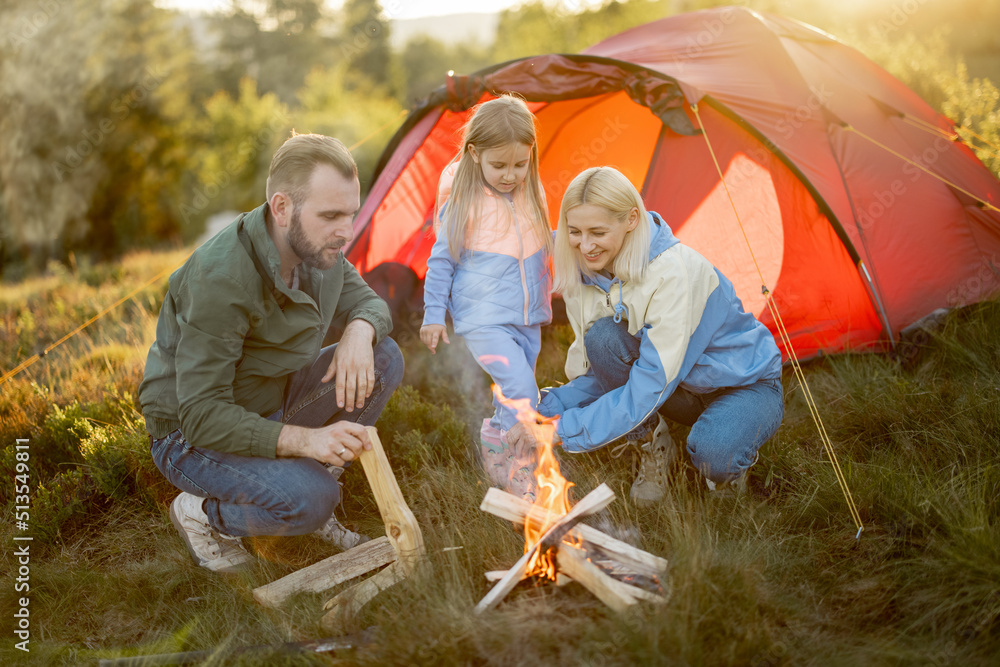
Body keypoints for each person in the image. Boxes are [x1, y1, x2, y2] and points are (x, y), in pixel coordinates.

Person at [139, 133, 404, 572]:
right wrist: (309, 441)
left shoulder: (318, 247)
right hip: (190, 435)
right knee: (311, 500)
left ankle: (309, 483)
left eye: (352, 213)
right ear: (282, 208)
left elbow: (369, 304)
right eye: (332, 215)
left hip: (268, 400)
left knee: (383, 357)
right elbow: (202, 415)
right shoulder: (221, 281)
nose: (347, 231)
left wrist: (359, 331)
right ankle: (202, 515)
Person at [512, 166, 784, 505]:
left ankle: (727, 471)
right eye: (575, 231)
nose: (585, 246)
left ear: (631, 219)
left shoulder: (672, 273)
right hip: (680, 388)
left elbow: (648, 385)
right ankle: (652, 446)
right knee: (602, 339)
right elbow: (600, 373)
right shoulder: (586, 272)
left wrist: (560, 430)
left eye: (597, 231)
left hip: (744, 385)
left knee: (715, 451)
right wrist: (544, 408)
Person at [418, 95, 552, 498]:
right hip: (483, 319)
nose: (510, 175)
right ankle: (523, 478)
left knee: (514, 395)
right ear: (475, 153)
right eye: (499, 165)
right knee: (525, 394)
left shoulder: (531, 191)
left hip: (527, 317)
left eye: (519, 163)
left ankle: (496, 438)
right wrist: (432, 314)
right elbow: (441, 261)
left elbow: (543, 247)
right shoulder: (466, 201)